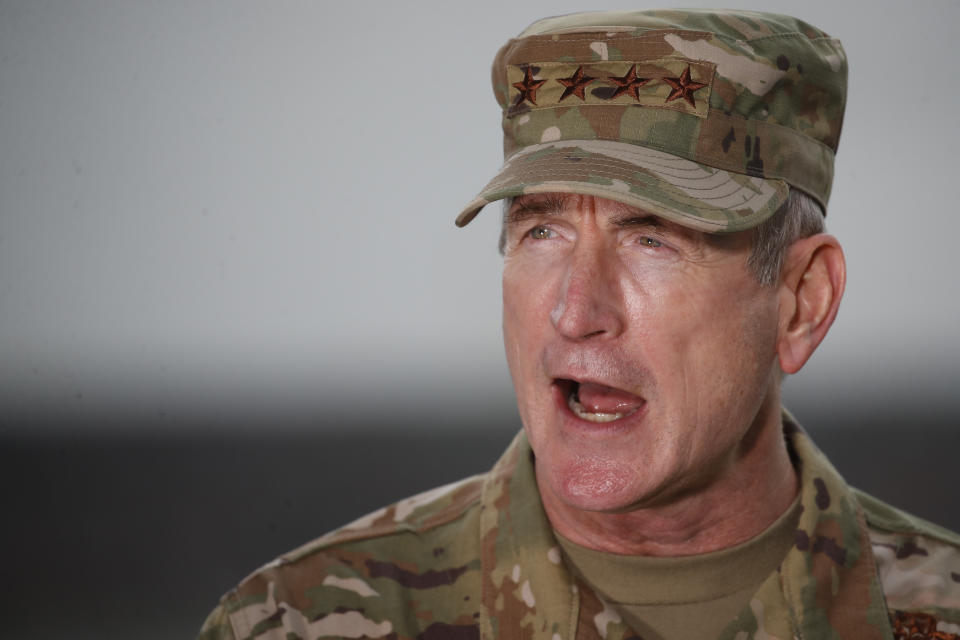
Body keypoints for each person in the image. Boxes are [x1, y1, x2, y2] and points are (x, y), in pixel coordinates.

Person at [198, 10, 960, 640]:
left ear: (801, 300)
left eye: (653, 238)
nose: (575, 312)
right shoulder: (293, 622)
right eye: (542, 232)